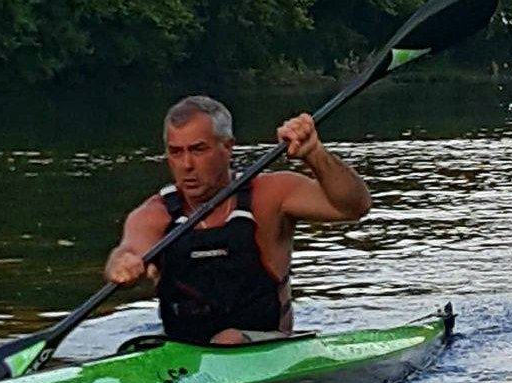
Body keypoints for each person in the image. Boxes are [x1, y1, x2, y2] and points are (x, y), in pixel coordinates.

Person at [104, 95, 371, 344]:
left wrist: (315, 155)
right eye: (176, 152)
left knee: (228, 340)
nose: (186, 165)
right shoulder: (154, 213)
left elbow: (353, 207)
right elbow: (129, 249)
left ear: (228, 147)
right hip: (184, 356)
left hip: (266, 347)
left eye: (198, 150)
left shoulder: (271, 196)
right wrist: (122, 265)